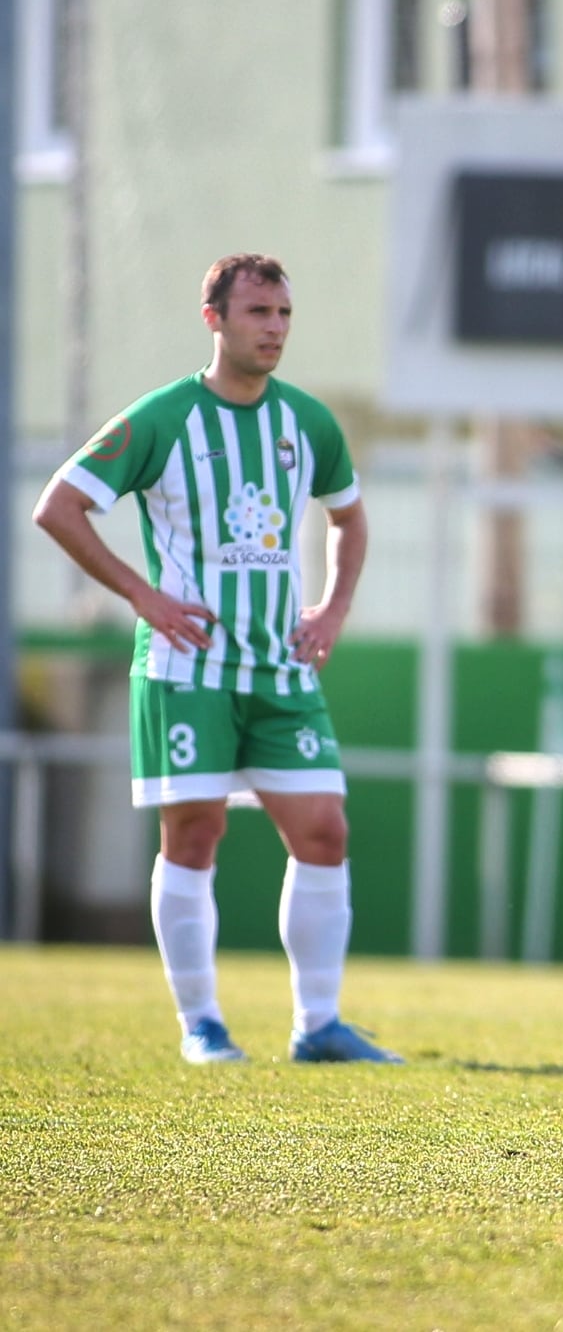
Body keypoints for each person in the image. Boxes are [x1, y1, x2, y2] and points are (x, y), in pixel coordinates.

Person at [33, 254, 401, 1066]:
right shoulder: (163, 418)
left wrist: (333, 608)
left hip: (280, 670)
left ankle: (319, 1024)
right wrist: (143, 595)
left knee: (325, 830)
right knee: (194, 836)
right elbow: (58, 507)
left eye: (283, 315)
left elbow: (349, 518)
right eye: (259, 313)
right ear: (216, 319)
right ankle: (201, 1025)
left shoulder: (308, 421)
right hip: (186, 668)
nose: (274, 329)